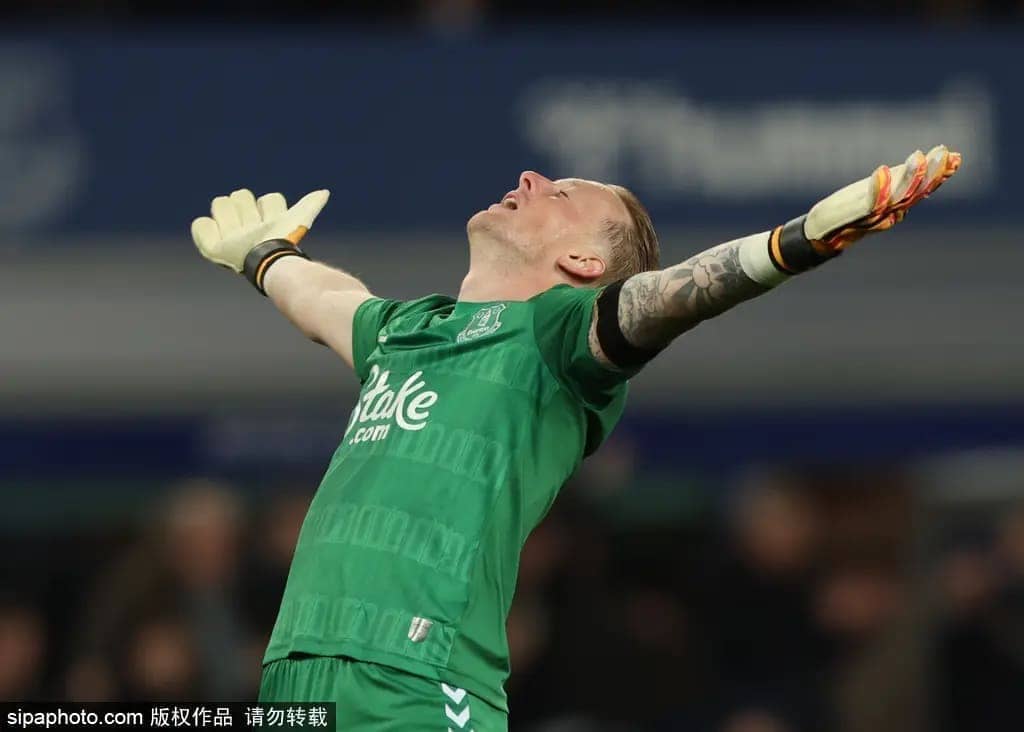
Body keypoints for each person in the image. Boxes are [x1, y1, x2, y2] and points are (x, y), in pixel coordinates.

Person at [190, 146, 960, 730]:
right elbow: (327, 299)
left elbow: (671, 297)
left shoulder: (555, 338)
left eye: (559, 194)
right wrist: (269, 257)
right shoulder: (409, 331)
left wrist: (794, 243)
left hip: (416, 681)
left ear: (584, 262)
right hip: (292, 683)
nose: (529, 178)